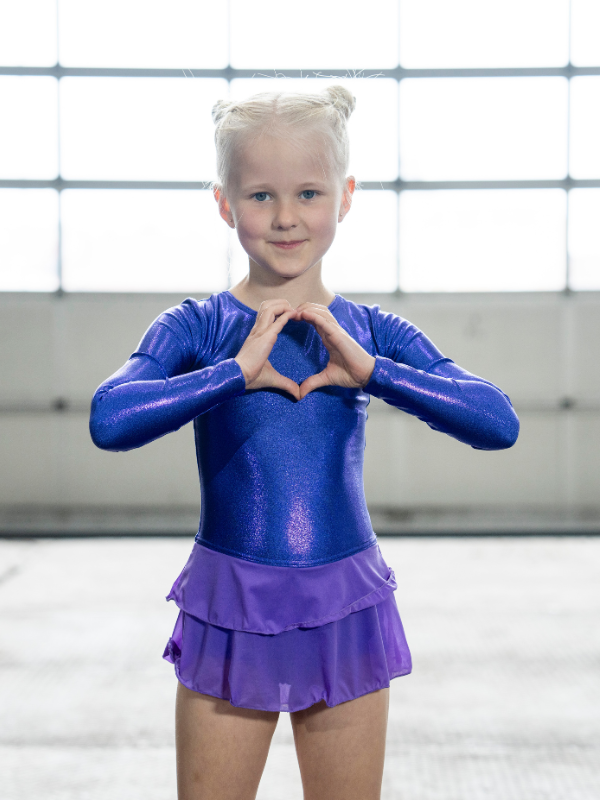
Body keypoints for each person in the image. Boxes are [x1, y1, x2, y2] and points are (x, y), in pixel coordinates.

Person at [89, 84, 520, 800]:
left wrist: (375, 373)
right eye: (259, 196)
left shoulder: (370, 332)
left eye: (309, 193)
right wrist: (231, 374)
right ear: (224, 203)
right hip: (231, 607)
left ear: (345, 197)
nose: (286, 217)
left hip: (345, 605)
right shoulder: (196, 328)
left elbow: (496, 421)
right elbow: (111, 418)